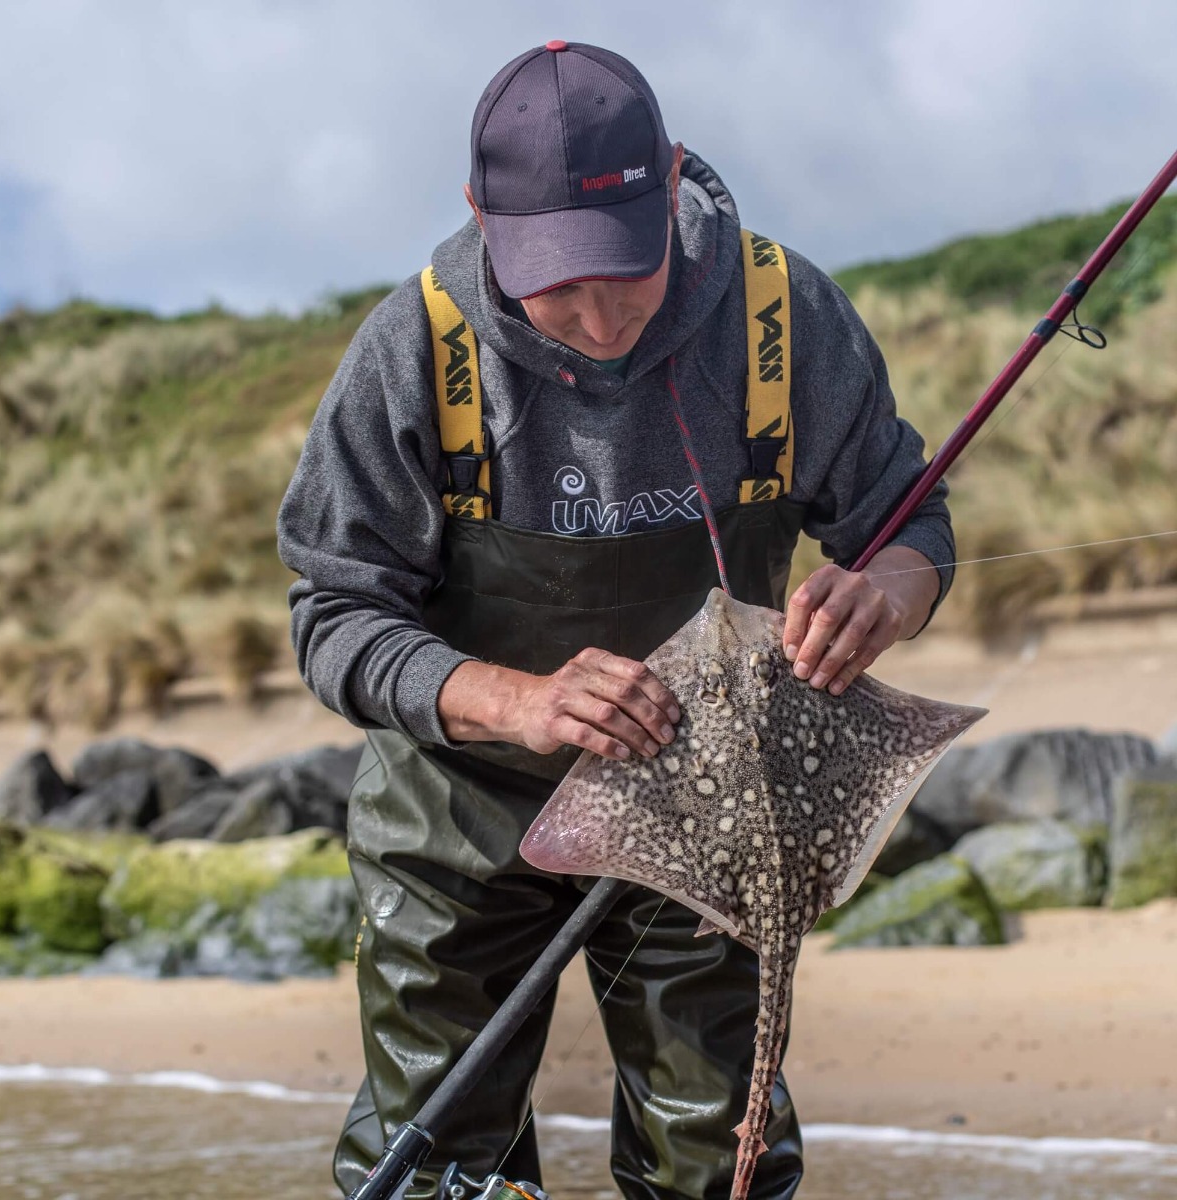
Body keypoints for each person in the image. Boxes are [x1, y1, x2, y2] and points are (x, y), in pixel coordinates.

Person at [278, 41, 953, 1200]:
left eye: (625, 271)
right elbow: (335, 614)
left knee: (718, 1162)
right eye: (558, 281)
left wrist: (884, 592)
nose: (597, 320)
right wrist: (517, 700)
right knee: (437, 1168)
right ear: (480, 214)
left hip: (710, 812)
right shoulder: (413, 349)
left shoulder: (782, 318)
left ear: (672, 180)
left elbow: (911, 524)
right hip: (460, 829)